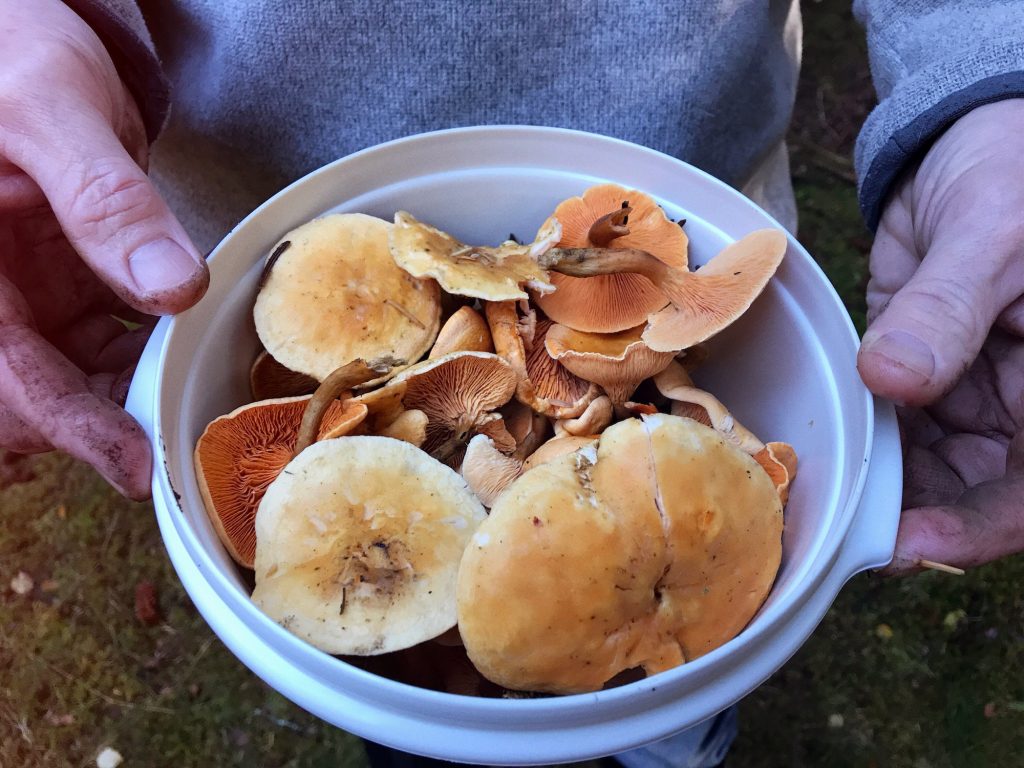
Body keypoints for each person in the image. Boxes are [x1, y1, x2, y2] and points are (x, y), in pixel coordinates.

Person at [2, 1, 1022, 765]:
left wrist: (984, 91)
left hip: (689, 174)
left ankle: (670, 731)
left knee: (667, 663)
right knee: (423, 690)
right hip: (259, 209)